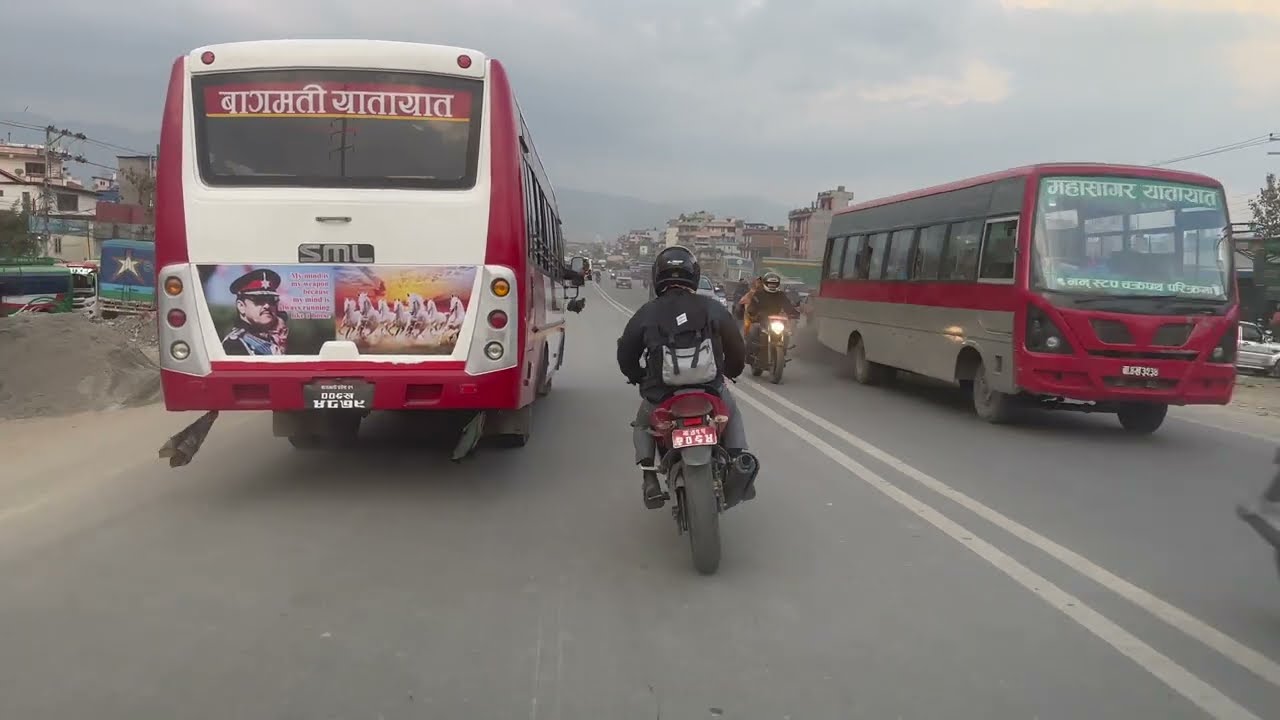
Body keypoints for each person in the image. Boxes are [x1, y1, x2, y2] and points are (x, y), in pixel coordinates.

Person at [616, 246, 750, 509]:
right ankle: (737, 461)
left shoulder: (647, 312)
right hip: (709, 390)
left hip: (661, 394)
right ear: (694, 276)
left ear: (657, 277)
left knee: (643, 424)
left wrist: (639, 377)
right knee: (732, 411)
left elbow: (626, 354)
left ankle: (650, 477)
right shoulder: (712, 308)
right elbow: (737, 348)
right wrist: (731, 372)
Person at [744, 272, 800, 359]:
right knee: (753, 330)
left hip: (776, 320)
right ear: (765, 283)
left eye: (774, 284)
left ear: (778, 284)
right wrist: (752, 311)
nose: (772, 286)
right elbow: (752, 305)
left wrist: (794, 313)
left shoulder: (781, 295)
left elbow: (787, 305)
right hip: (760, 320)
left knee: (786, 332)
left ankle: (783, 351)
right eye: (770, 283)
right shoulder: (758, 294)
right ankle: (749, 356)